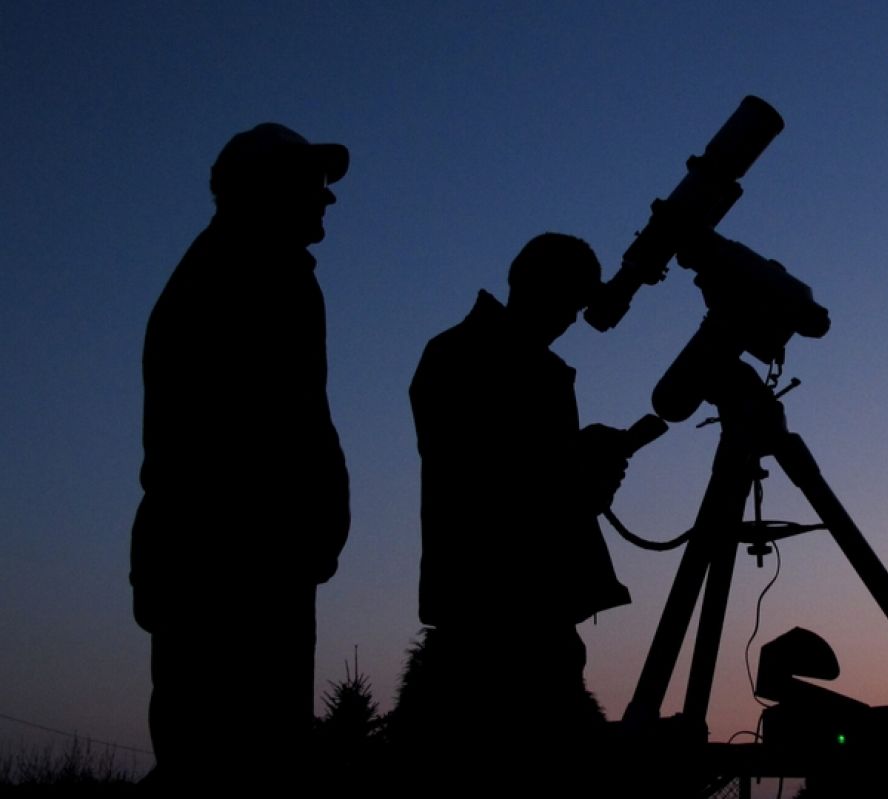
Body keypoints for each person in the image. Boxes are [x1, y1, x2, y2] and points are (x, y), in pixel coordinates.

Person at [130, 123, 351, 787]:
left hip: (251, 562)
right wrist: (299, 524)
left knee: (242, 758)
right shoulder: (242, 276)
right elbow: (251, 436)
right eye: (312, 185)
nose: (326, 200)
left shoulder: (258, 271)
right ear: (267, 188)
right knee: (227, 764)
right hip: (231, 566)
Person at [406, 233, 632, 781]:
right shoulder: (490, 362)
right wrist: (588, 474)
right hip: (503, 622)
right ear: (537, 287)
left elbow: (520, 475)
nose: (573, 319)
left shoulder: (479, 355)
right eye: (570, 302)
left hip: (507, 614)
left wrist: (578, 465)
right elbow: (507, 494)